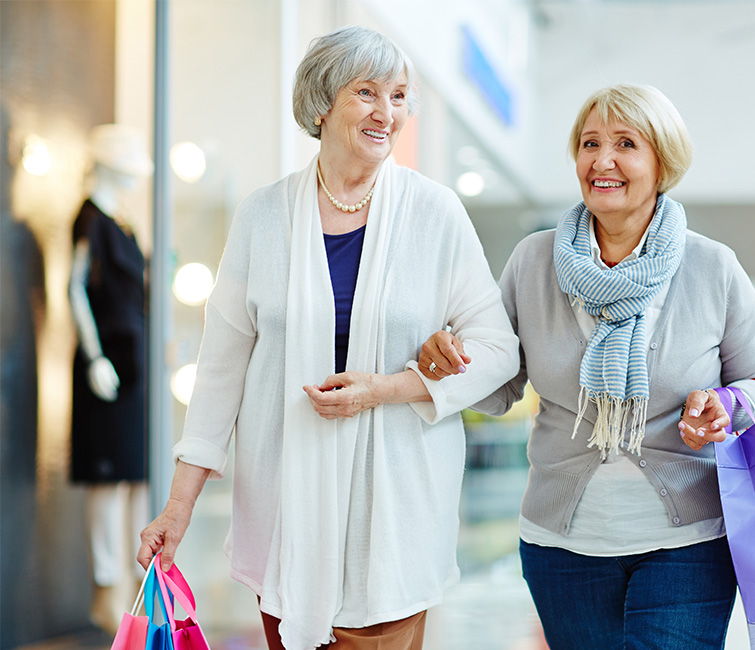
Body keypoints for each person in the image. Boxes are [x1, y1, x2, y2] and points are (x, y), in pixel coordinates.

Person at [137, 26, 519, 650]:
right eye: (366, 92)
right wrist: (177, 507)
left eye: (398, 96)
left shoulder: (435, 213)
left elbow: (499, 352)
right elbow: (220, 371)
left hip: (395, 511)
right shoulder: (263, 216)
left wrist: (390, 388)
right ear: (321, 103)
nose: (386, 112)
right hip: (284, 509)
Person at [418, 84, 755, 650]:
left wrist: (727, 405)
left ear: (662, 163)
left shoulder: (711, 266)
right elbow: (497, 386)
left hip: (689, 543)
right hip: (561, 546)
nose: (602, 160)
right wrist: (448, 359)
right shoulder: (534, 261)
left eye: (625, 144)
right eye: (590, 143)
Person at [69, 123, 153, 635]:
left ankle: (141, 582)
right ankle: (108, 584)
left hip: (136, 360)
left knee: (135, 470)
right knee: (108, 475)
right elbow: (76, 288)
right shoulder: (90, 220)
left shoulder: (125, 222)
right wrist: (93, 354)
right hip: (108, 363)